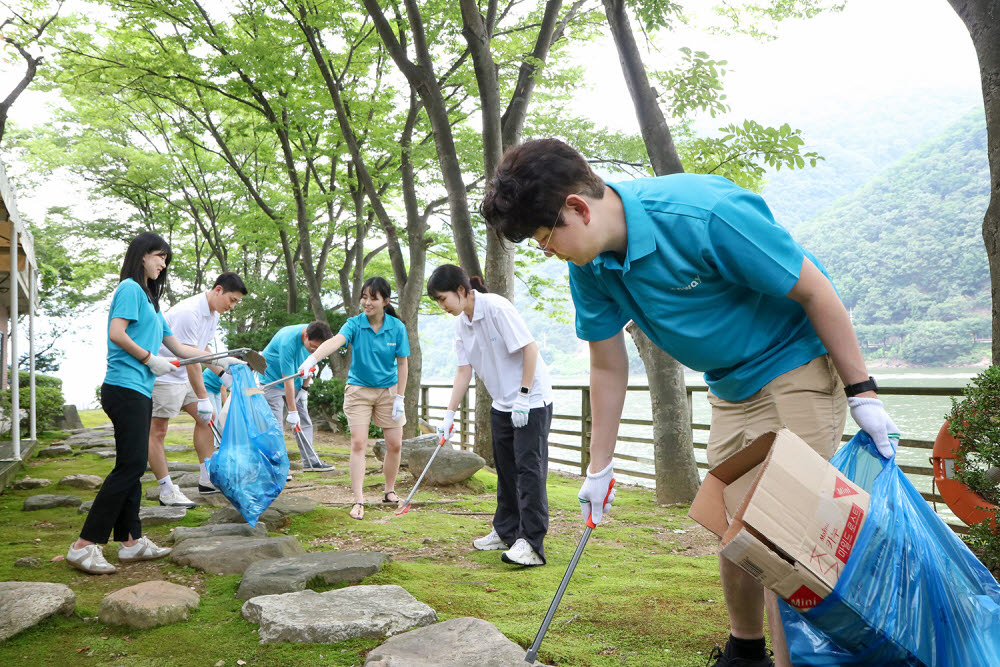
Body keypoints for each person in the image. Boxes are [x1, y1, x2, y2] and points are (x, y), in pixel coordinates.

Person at [480, 138, 900, 667]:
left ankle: (799, 659)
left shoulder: (704, 214)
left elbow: (816, 291)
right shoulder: (589, 266)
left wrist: (862, 393)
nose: (547, 250)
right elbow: (608, 364)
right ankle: (746, 651)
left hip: (795, 365)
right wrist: (599, 467)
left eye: (545, 238)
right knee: (733, 527)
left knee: (781, 535)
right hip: (728, 386)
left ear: (578, 209)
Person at [66, 232, 232, 575]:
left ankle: (131, 541)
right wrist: (148, 358)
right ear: (142, 255)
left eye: (166, 259)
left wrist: (223, 360)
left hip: (140, 390)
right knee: (129, 466)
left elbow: (181, 349)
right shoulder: (129, 288)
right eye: (159, 256)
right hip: (123, 386)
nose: (163, 264)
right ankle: (84, 545)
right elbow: (116, 332)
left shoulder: (151, 301)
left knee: (133, 463)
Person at [427, 265, 554, 566]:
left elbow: (530, 348)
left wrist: (523, 396)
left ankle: (531, 544)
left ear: (461, 291)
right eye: (436, 302)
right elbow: (463, 370)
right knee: (506, 470)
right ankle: (506, 530)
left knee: (529, 471)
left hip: (530, 400)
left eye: (442, 299)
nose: (441, 306)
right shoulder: (462, 323)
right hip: (501, 403)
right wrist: (448, 414)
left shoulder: (497, 308)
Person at [297, 277, 409, 520]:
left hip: (389, 392)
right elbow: (336, 341)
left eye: (373, 298)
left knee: (395, 444)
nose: (366, 303)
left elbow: (402, 363)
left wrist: (400, 396)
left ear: (385, 301)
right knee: (359, 443)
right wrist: (312, 359)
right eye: (364, 297)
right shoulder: (354, 324)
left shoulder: (397, 328)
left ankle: (389, 490)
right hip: (358, 391)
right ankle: (358, 500)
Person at [148, 272, 248, 507]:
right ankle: (166, 490)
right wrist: (203, 396)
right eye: (232, 300)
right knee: (158, 431)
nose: (232, 306)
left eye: (236, 302)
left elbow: (204, 352)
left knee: (208, 419)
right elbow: (188, 356)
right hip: (165, 376)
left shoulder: (212, 314)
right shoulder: (188, 312)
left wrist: (223, 374)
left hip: (186, 375)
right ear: (218, 290)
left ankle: (207, 478)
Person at [259, 320, 335, 474]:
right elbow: (287, 380)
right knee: (275, 425)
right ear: (305, 336)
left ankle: (311, 462)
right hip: (272, 381)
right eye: (312, 347)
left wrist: (305, 389)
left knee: (304, 420)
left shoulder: (316, 336)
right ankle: (276, 468)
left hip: (296, 382)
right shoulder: (288, 342)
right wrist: (292, 412)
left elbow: (311, 364)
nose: (314, 350)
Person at [202, 363, 231, 430]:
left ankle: (220, 439)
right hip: (207, 386)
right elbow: (223, 389)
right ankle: (212, 439)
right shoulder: (228, 370)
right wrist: (227, 408)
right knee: (214, 415)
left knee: (220, 417)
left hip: (216, 390)